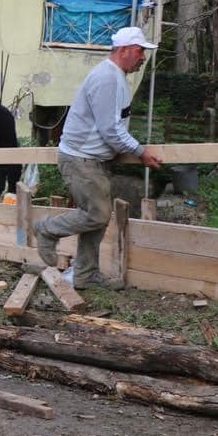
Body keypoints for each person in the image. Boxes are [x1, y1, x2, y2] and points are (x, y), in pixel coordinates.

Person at [32, 27, 164, 290]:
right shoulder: (108, 78)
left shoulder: (116, 77)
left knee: (96, 217)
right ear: (124, 50)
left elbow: (112, 127)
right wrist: (140, 151)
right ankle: (47, 229)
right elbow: (110, 129)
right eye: (139, 52)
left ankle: (85, 275)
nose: (142, 58)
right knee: (97, 215)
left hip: (93, 159)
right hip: (81, 159)